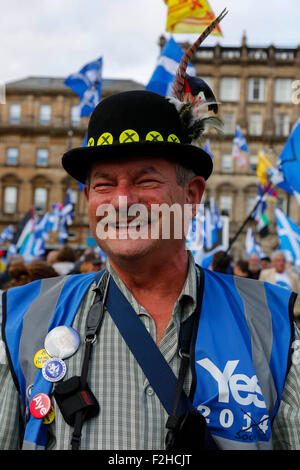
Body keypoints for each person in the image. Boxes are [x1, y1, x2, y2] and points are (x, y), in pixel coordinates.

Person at [0, 41, 299, 449]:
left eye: (145, 180)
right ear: (89, 198)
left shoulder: (276, 325)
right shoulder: (18, 321)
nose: (122, 202)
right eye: (103, 184)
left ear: (192, 194)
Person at [259, 250, 300, 320]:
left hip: (290, 313)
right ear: (273, 262)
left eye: (283, 260)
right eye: (278, 260)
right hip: (272, 312)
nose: (281, 263)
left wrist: (295, 312)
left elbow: (298, 296)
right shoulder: (265, 274)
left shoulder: (294, 277)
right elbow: (260, 293)